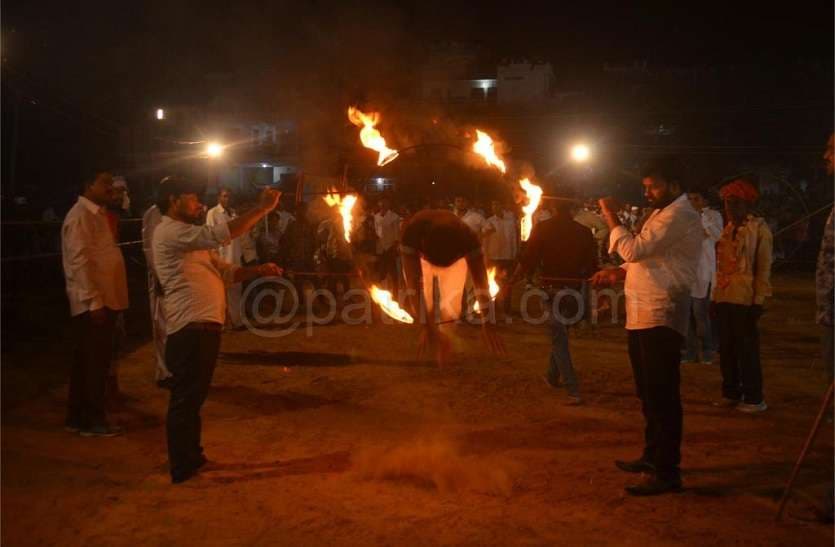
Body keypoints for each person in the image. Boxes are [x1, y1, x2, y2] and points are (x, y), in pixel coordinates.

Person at [153, 177, 282, 483]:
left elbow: (227, 273)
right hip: (189, 330)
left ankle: (192, 457)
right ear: (173, 200)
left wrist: (259, 271)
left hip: (205, 328)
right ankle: (181, 467)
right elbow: (222, 233)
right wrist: (261, 209)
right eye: (193, 197)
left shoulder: (191, 239)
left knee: (194, 399)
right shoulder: (170, 232)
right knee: (185, 400)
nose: (199, 204)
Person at [591, 156, 702, 496]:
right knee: (647, 392)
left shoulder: (679, 214)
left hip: (661, 314)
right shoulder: (660, 213)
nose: (648, 192)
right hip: (642, 313)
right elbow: (649, 259)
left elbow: (636, 249)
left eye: (653, 186)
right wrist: (618, 273)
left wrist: (610, 217)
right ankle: (653, 456)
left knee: (662, 394)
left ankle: (668, 471)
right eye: (646, 187)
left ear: (674, 185)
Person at [61, 171, 129, 437]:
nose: (110, 188)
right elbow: (79, 262)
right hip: (94, 304)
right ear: (88, 185)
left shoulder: (97, 215)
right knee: (94, 364)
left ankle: (77, 418)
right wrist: (94, 302)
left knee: (86, 363)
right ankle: (92, 420)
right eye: (104, 183)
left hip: (104, 300)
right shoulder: (80, 216)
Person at [509, 198, 596, 404]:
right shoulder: (584, 232)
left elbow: (528, 259)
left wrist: (512, 280)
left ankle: (573, 389)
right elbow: (592, 266)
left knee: (559, 338)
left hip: (552, 291)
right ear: (573, 209)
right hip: (574, 291)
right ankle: (551, 376)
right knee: (560, 334)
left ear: (553, 208)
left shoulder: (543, 228)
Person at [400, 209, 506, 367]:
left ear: (459, 255)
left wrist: (488, 322)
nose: (441, 269)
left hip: (452, 248)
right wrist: (427, 327)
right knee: (425, 297)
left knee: (452, 302)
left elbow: (481, 284)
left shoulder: (469, 239)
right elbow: (414, 287)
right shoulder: (411, 235)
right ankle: (434, 332)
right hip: (420, 247)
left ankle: (445, 336)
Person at [712, 176, 773, 413]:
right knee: (726, 349)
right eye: (727, 202)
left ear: (748, 204)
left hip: (745, 301)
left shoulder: (760, 230)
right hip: (725, 298)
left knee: (747, 351)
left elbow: (763, 269)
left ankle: (754, 398)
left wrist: (758, 302)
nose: (730, 207)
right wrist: (715, 297)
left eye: (736, 202)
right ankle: (731, 393)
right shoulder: (727, 230)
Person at [682, 191, 723, 364]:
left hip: (703, 273)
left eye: (696, 198)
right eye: (689, 199)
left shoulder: (713, 216)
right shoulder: (682, 217)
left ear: (705, 199)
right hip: (685, 274)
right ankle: (690, 352)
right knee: (685, 317)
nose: (692, 201)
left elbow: (716, 235)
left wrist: (701, 216)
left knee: (701, 315)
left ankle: (707, 350)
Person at [142, 201, 173, 386]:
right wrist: (159, 277)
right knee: (162, 325)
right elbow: (149, 248)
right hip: (161, 278)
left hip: (175, 278)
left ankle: (173, 369)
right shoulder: (153, 213)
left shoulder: (174, 213)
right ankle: (164, 372)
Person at [206, 188, 244, 329]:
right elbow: (210, 236)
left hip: (234, 255)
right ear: (219, 198)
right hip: (221, 257)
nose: (227, 199)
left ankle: (237, 321)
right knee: (220, 292)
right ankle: (220, 323)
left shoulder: (233, 213)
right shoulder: (213, 213)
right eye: (225, 196)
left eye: (229, 196)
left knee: (236, 289)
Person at [482, 200, 519, 315]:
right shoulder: (489, 222)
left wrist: (515, 254)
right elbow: (485, 241)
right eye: (493, 205)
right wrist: (486, 256)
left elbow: (514, 239)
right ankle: (494, 307)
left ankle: (507, 308)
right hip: (494, 257)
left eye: (497, 204)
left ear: (502, 206)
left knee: (507, 283)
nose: (495, 207)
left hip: (507, 257)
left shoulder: (510, 222)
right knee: (492, 282)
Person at [374, 197, 401, 292]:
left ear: (388, 206)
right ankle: (382, 291)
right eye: (381, 205)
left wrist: (395, 246)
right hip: (381, 247)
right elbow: (376, 231)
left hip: (390, 247)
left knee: (393, 271)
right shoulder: (376, 217)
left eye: (384, 205)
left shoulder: (394, 217)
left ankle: (395, 291)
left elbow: (397, 234)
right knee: (382, 271)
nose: (382, 207)